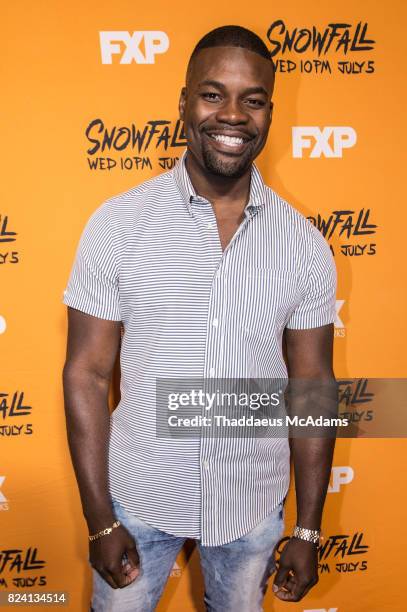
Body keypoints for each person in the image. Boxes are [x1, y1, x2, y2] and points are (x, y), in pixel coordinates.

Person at [62, 25, 338, 612]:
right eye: (213, 94)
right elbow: (86, 373)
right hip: (136, 502)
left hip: (252, 508)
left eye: (253, 99)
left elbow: (312, 386)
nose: (233, 115)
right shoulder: (119, 224)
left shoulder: (303, 244)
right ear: (183, 103)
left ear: (269, 110)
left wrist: (308, 530)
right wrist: (99, 521)